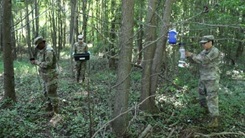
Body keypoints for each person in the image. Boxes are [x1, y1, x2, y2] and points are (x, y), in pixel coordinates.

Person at [185, 35, 222, 128]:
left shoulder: (214, 51)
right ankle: (205, 112)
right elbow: (197, 60)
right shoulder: (204, 51)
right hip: (203, 77)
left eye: (204, 43)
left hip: (212, 78)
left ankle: (215, 119)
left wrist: (191, 55)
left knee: (212, 97)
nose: (203, 45)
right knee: (202, 95)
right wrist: (188, 57)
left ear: (210, 42)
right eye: (202, 43)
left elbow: (204, 60)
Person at [30, 36, 59, 114]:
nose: (37, 48)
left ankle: (55, 110)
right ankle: (49, 107)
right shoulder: (42, 50)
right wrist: (35, 61)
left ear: (42, 43)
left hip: (51, 76)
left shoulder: (49, 51)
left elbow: (48, 64)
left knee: (52, 92)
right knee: (45, 92)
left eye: (38, 45)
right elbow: (41, 61)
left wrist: (37, 62)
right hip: (44, 76)